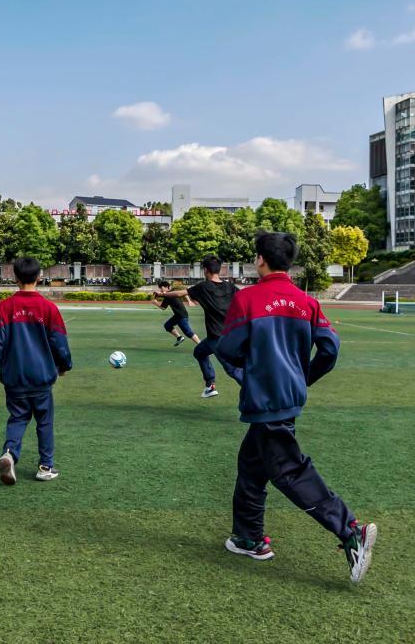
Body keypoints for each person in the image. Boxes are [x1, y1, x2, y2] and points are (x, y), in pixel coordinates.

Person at [216, 232, 377, 583]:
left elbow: (227, 350)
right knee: (251, 467)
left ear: (260, 259)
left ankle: (350, 530)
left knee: (288, 470)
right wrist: (302, 378)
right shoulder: (306, 301)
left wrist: (248, 375)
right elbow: (330, 349)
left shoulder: (248, 299)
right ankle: (248, 537)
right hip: (288, 397)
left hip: (266, 399)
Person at [0, 257, 72, 485]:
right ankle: (45, 466)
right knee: (44, 421)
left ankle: (10, 453)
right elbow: (59, 341)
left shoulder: (6, 307)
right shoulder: (48, 308)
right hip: (41, 377)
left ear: (15, 277)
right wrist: (64, 366)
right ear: (39, 277)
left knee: (18, 418)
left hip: (14, 377)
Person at [156, 256, 241, 398]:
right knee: (199, 352)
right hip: (228, 335)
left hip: (218, 338)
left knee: (234, 371)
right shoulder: (231, 287)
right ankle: (210, 385)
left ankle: (261, 396)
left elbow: (180, 293)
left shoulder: (203, 287)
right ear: (219, 270)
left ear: (205, 270)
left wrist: (163, 294)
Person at [151, 280, 200, 347]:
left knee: (188, 333)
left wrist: (155, 302)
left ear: (167, 287)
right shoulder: (173, 292)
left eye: (161, 288)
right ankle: (179, 337)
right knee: (167, 325)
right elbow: (184, 292)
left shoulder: (168, 296)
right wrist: (189, 301)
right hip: (178, 316)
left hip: (181, 316)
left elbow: (163, 308)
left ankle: (201, 345)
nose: (161, 290)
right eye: (160, 289)